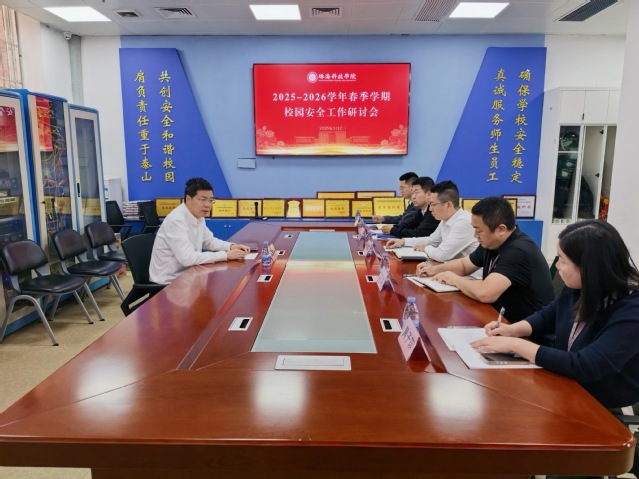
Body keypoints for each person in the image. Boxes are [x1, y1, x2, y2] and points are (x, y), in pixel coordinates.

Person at [471, 220, 639, 479]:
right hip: (562, 383)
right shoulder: (579, 287)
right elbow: (547, 315)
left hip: (597, 398)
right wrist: (512, 330)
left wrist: (517, 345)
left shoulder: (631, 309)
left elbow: (587, 365)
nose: (557, 266)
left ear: (589, 267)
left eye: (562, 260)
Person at [417, 196, 553, 323]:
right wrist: (434, 270)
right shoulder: (492, 242)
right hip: (500, 319)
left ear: (501, 229)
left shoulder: (518, 251)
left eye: (478, 230)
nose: (475, 235)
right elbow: (464, 265)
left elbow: (485, 293)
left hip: (526, 332)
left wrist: (453, 279)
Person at [149, 177, 251, 284]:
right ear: (188, 199)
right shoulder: (176, 220)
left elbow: (208, 241)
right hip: (169, 282)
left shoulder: (198, 215)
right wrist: (226, 255)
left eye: (210, 200)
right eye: (202, 200)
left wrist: (231, 246)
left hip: (189, 274)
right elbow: (187, 259)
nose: (207, 205)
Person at [386, 180, 479, 269]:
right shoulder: (445, 219)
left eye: (433, 204)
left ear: (448, 205)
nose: (430, 209)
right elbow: (432, 241)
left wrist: (426, 248)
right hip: (453, 270)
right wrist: (404, 241)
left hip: (471, 276)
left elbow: (441, 255)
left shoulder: (464, 221)